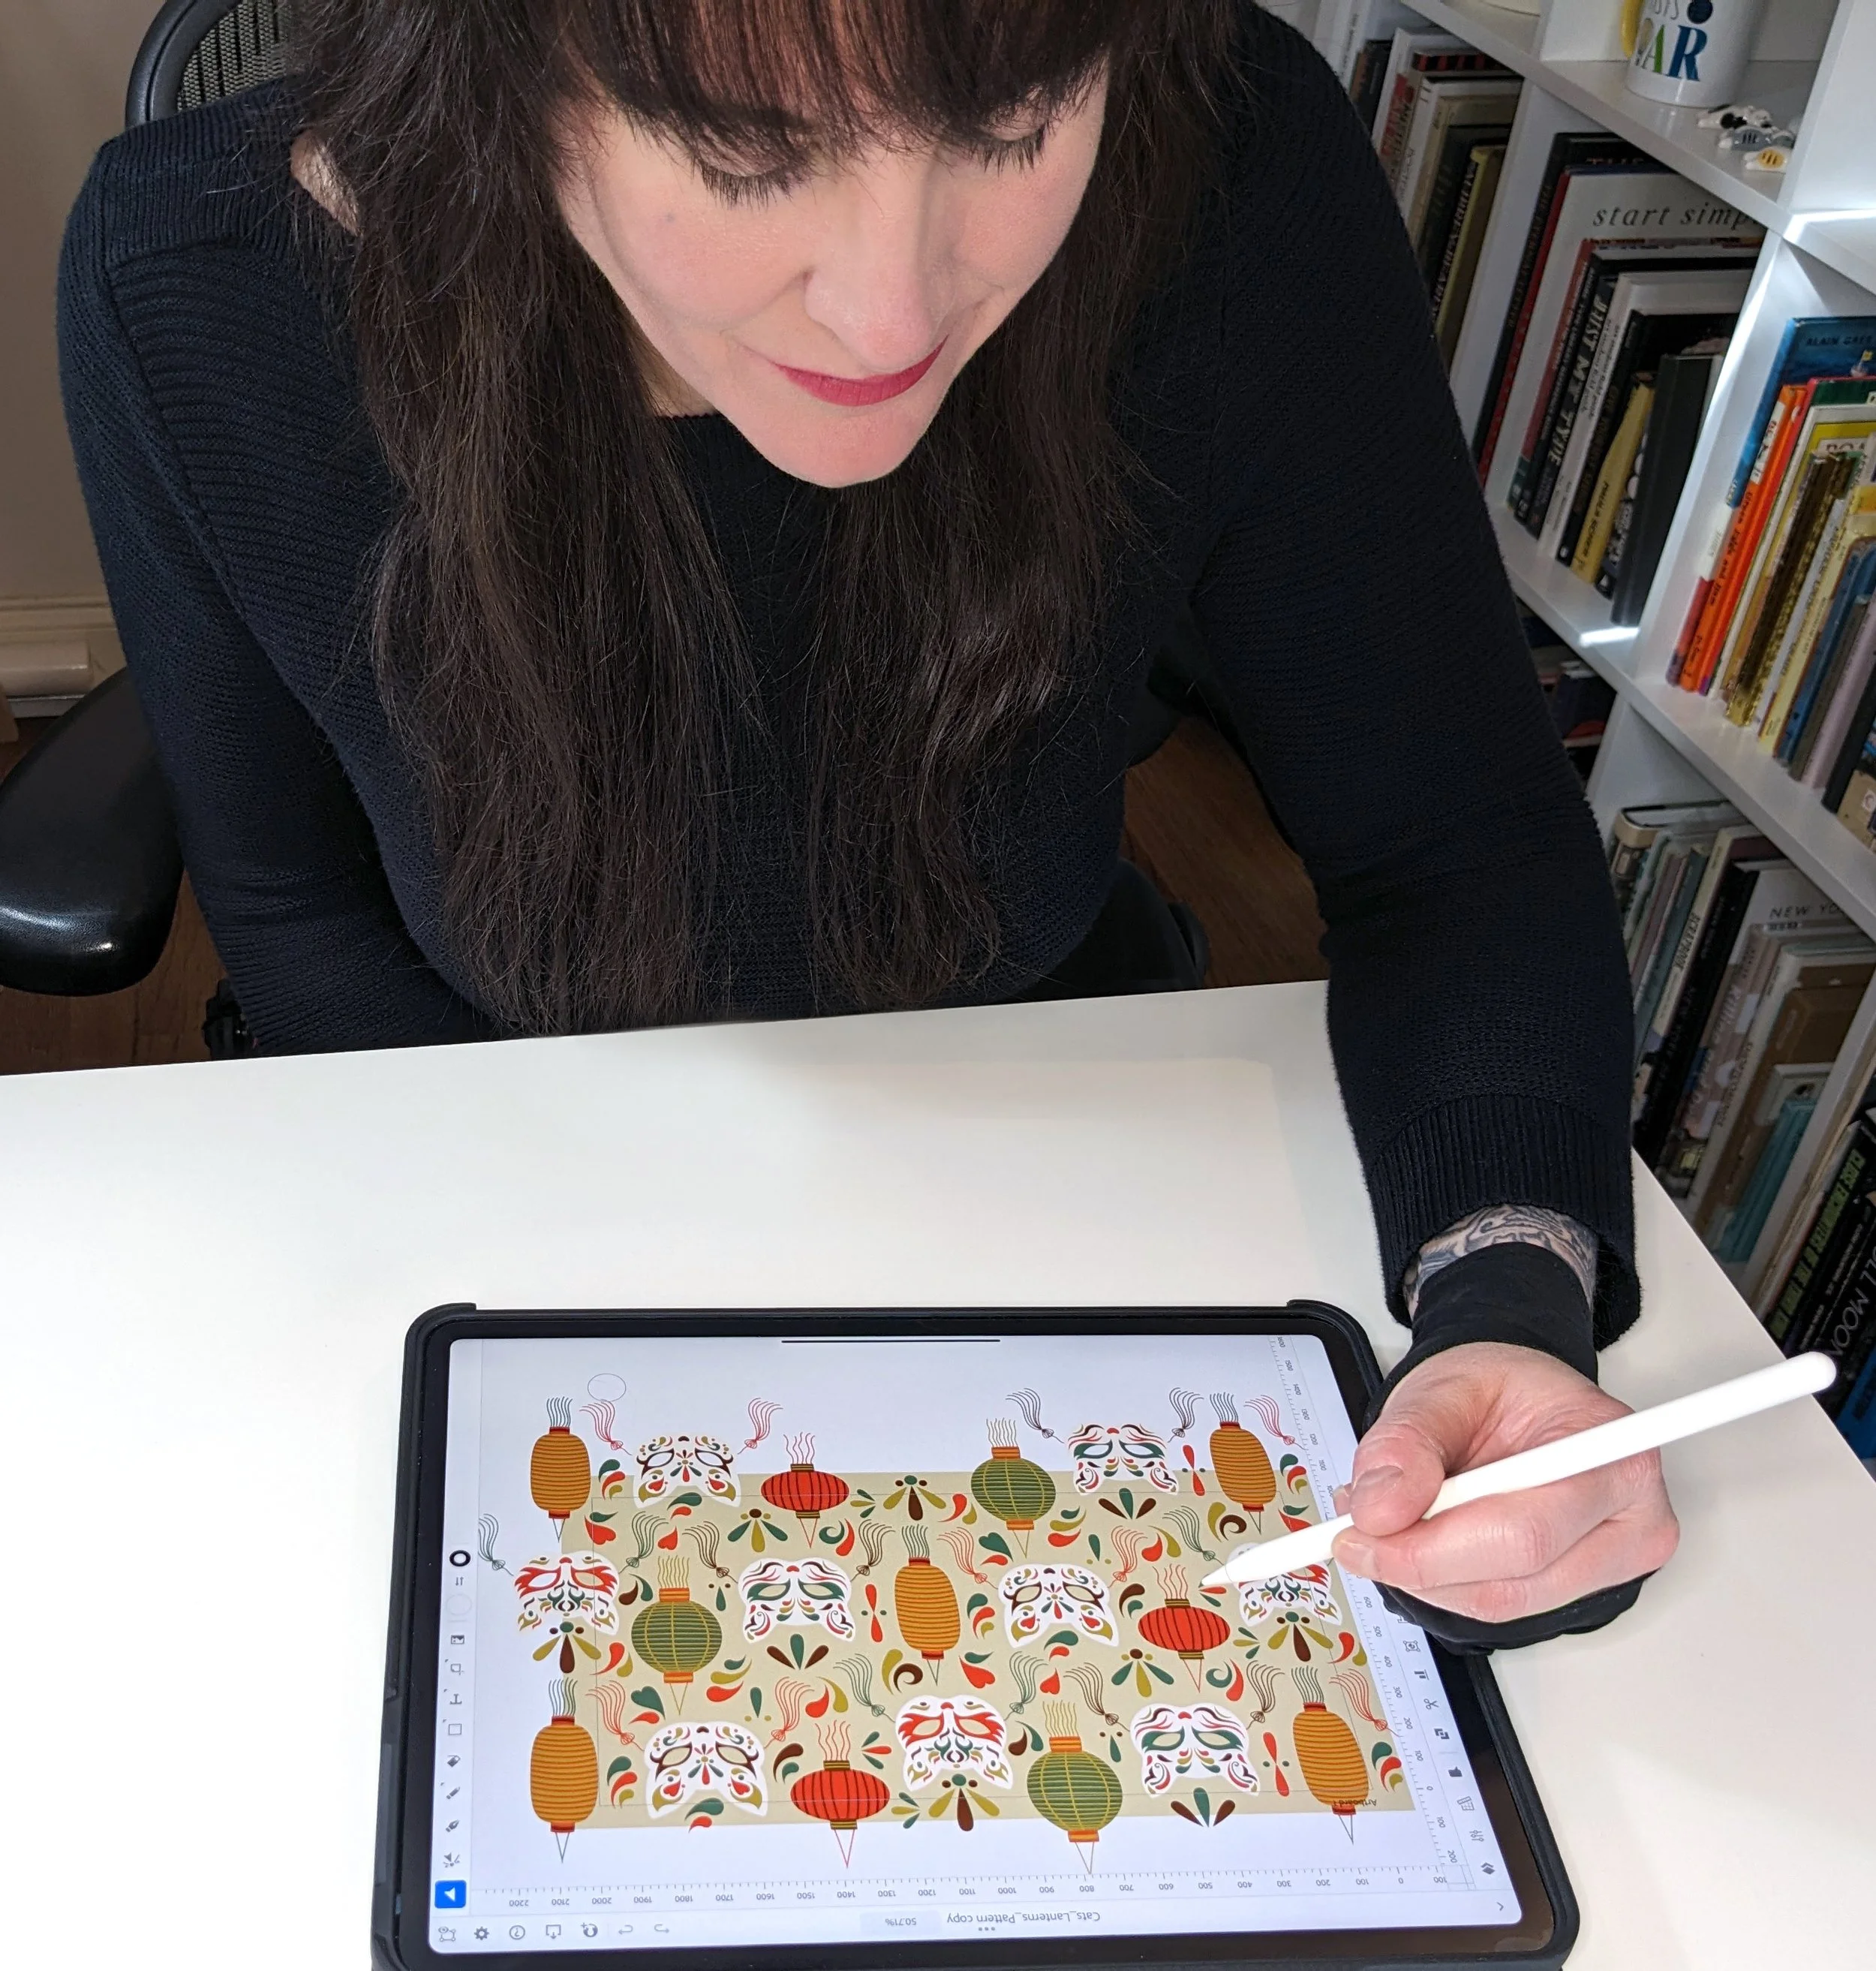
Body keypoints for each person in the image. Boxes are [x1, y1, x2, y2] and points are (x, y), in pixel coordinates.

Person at [56, 0, 1676, 1645]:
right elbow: (298, 914)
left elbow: (1454, 839)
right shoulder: (185, 275)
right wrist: (561, 1325)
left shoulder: (1233, 159)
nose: (891, 310)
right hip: (503, 1150)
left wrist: (1505, 1295)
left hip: (1032, 1140)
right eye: (744, 153)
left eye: (1012, 121)